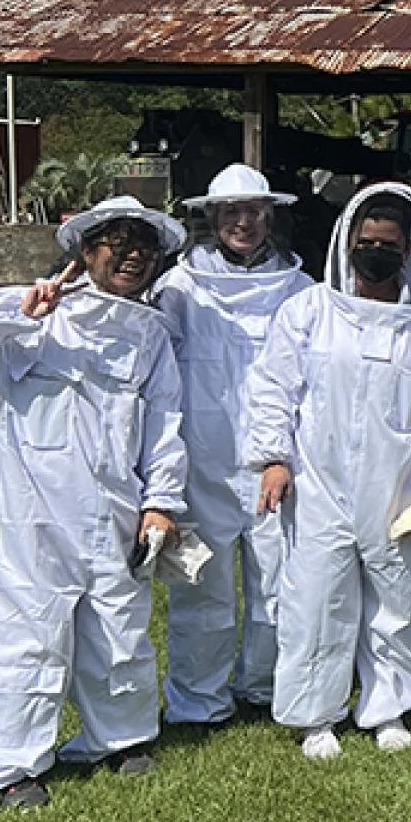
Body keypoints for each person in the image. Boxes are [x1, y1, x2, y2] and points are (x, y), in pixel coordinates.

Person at [0, 196, 188, 809]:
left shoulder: (150, 336)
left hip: (114, 510)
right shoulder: (31, 313)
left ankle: (118, 738)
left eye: (143, 245)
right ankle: (9, 766)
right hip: (27, 516)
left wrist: (161, 503)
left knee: (118, 630)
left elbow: (166, 425)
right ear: (84, 249)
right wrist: (15, 311)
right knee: (22, 634)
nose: (132, 254)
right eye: (117, 241)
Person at [247, 183, 411, 761]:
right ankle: (315, 715)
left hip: (399, 487)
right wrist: (274, 459)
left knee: (398, 598)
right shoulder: (307, 312)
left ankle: (387, 707)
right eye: (366, 242)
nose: (376, 252)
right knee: (315, 600)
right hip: (318, 482)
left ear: (410, 250)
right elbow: (273, 389)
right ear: (347, 243)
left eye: (388, 244)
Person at [151, 163, 312, 728]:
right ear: (212, 219)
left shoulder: (300, 290)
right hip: (202, 465)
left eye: (254, 212)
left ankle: (264, 686)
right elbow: (157, 374)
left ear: (269, 216)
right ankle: (199, 699)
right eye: (231, 213)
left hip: (277, 466)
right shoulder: (180, 289)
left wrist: (284, 455)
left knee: (279, 586)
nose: (243, 223)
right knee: (202, 593)